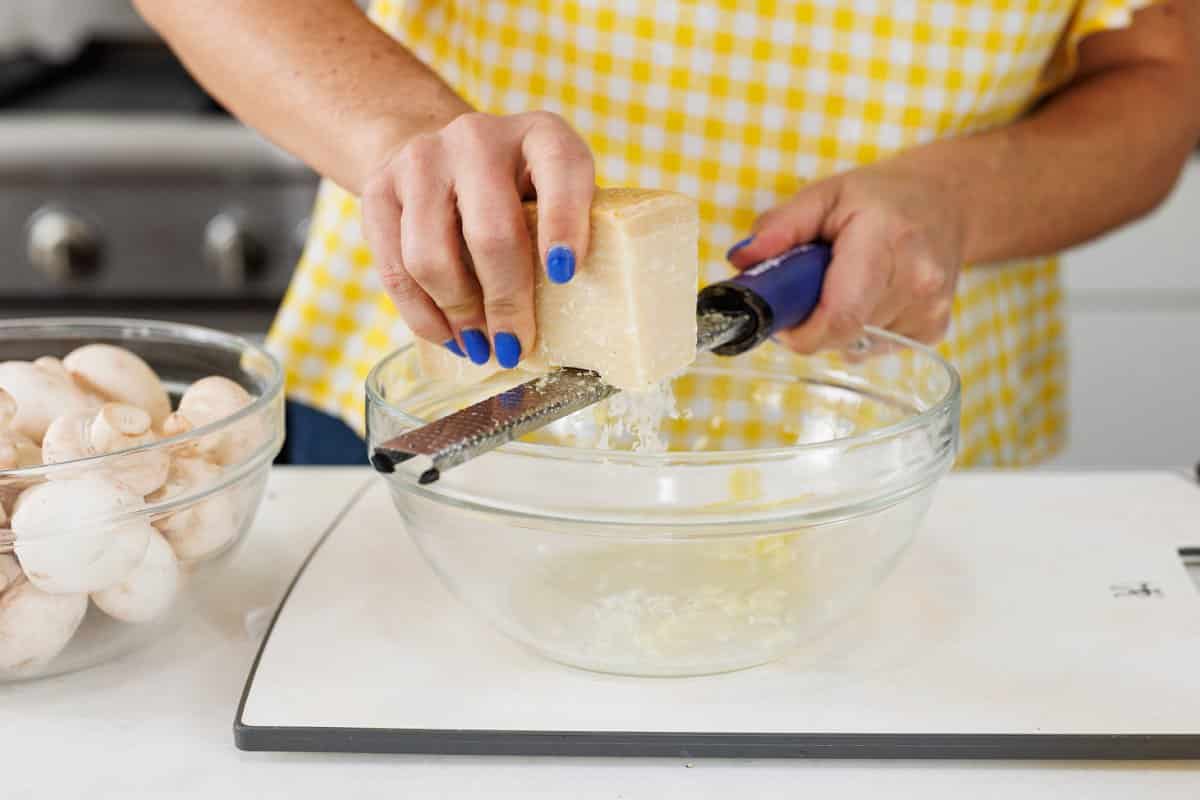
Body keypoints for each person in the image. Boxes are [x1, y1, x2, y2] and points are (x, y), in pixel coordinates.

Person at [135, 0, 1200, 466]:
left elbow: (1166, 76)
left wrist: (962, 199)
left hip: (888, 442)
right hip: (449, 402)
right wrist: (406, 133)